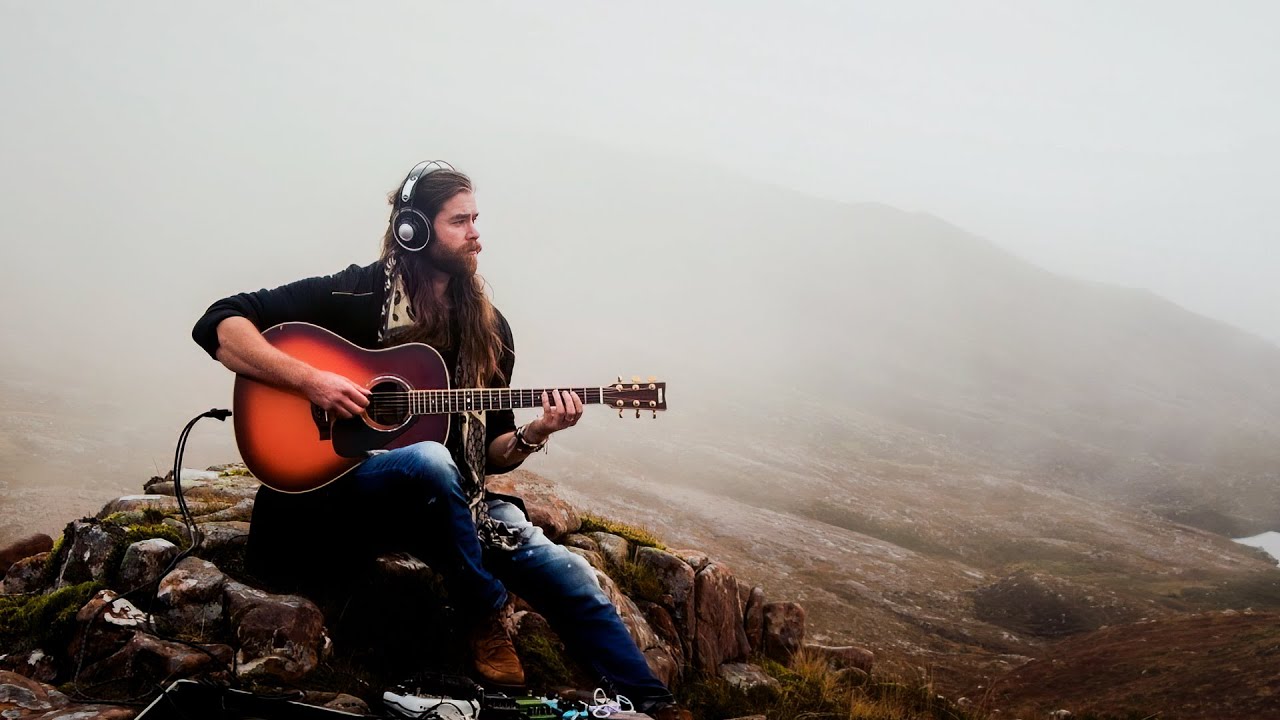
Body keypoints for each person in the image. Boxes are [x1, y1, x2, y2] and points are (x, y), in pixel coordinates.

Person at [191, 161, 689, 719]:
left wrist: (537, 431)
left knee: (568, 571)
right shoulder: (355, 294)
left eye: (476, 219)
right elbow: (220, 323)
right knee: (427, 458)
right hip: (343, 495)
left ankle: (654, 702)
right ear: (414, 230)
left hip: (449, 506)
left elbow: (495, 453)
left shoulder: (490, 330)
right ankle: (484, 611)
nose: (477, 234)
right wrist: (314, 382)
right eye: (460, 222)